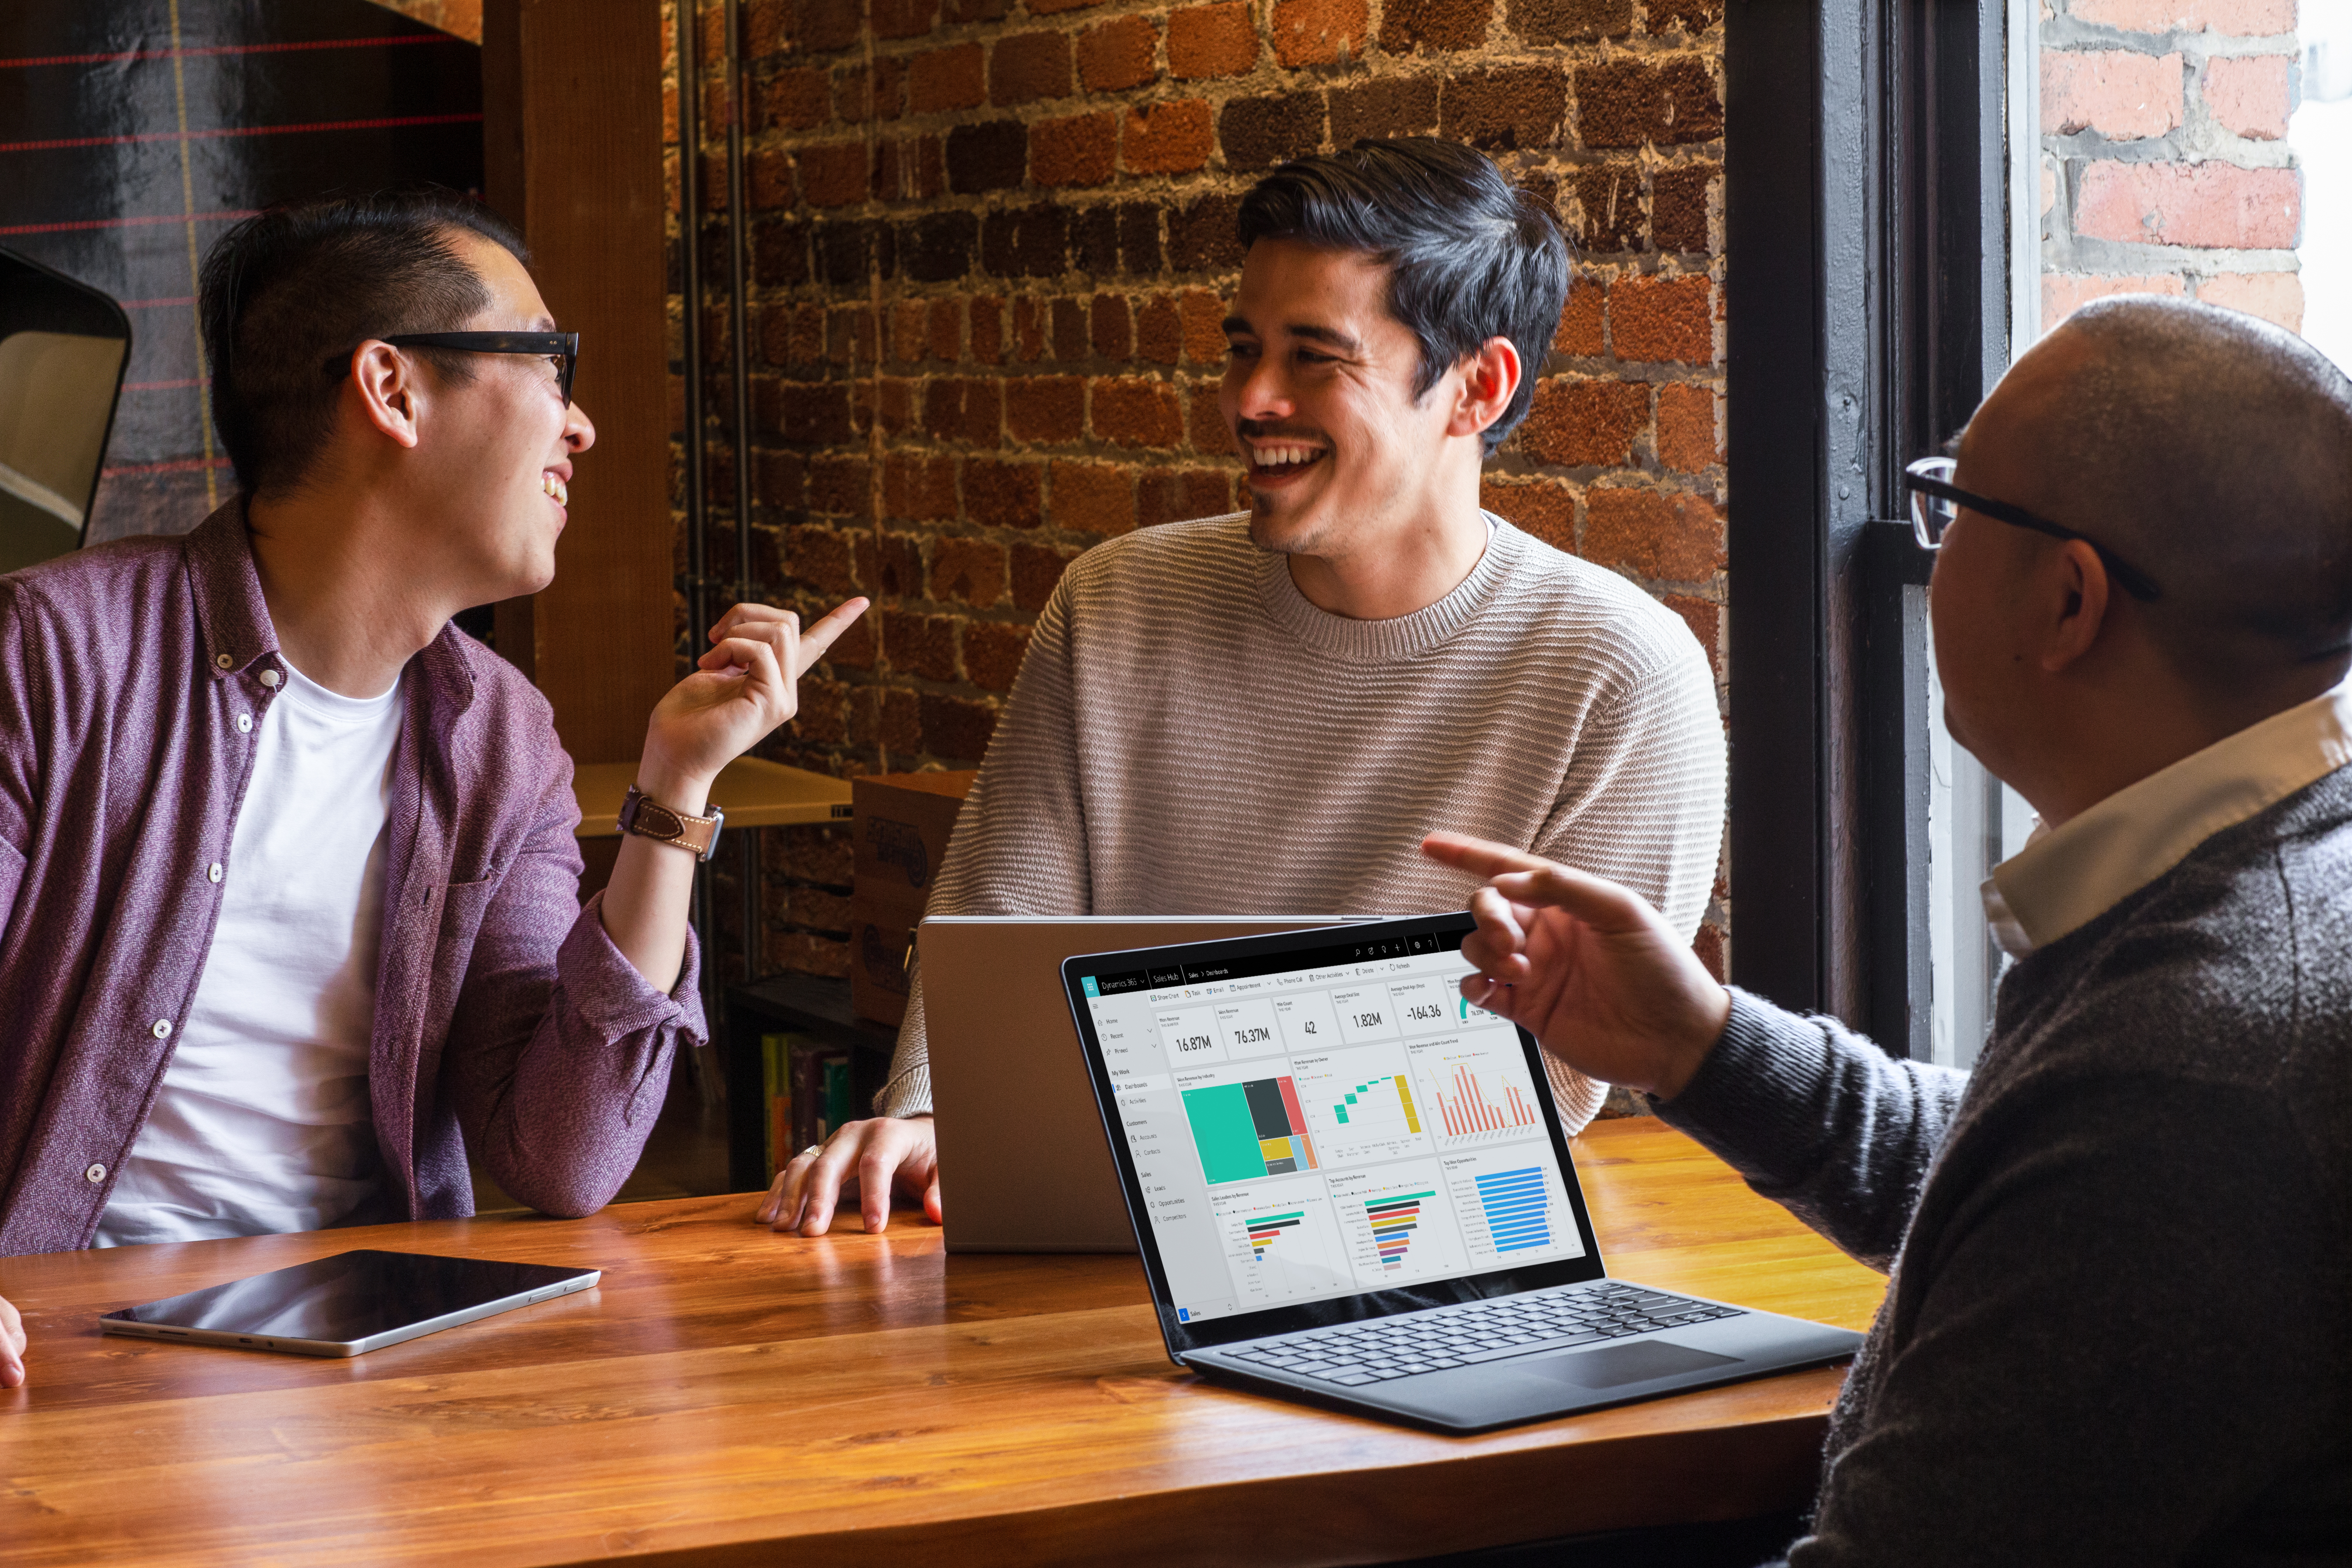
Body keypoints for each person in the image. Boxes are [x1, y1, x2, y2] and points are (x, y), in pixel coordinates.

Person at [1425, 295, 2352, 1563]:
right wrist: (1699, 1044)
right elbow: (2032, 1200)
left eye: (1955, 504)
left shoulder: (2198, 1070)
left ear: (2069, 602)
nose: (1936, 544)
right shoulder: (2269, 881)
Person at [762, 137, 1726, 1237]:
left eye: (1316, 356)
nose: (1252, 399)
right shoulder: (1115, 601)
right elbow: (997, 917)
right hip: (1084, 1229)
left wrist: (1157, 1147)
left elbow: (1543, 1083)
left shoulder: (1621, 672)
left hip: (1410, 1243)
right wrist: (935, 1111)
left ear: (1477, 388)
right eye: (1243, 348)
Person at [0, 190, 864, 1388]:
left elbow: (563, 1157)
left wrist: (674, 794)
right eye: (552, 365)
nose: (585, 428)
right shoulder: (59, 653)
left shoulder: (501, 737)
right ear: (394, 390)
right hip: (58, 1341)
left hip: (375, 1349)